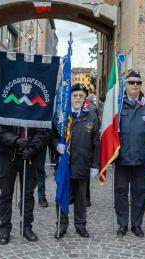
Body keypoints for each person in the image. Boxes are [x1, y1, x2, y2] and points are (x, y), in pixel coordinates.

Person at [51, 83, 100, 239]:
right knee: (63, 195)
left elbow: (96, 142)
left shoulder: (91, 115)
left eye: (81, 95)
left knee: (81, 198)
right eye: (75, 95)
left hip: (83, 163)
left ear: (85, 97)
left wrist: (94, 165)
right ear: (70, 97)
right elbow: (51, 135)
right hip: (65, 164)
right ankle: (61, 225)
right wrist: (56, 145)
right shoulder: (61, 116)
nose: (78, 98)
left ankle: (80, 225)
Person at [114, 70, 145, 238]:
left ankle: (137, 224)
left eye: (138, 83)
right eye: (131, 82)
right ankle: (122, 224)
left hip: (142, 157)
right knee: (121, 192)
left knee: (139, 192)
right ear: (125, 84)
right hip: (122, 157)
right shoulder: (118, 104)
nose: (135, 85)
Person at [0, 118, 50, 244]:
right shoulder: (5, 103)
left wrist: (32, 149)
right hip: (8, 155)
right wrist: (16, 141)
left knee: (28, 194)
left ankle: (26, 227)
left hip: (29, 156)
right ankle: (4, 228)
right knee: (5, 194)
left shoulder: (37, 106)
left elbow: (43, 131)